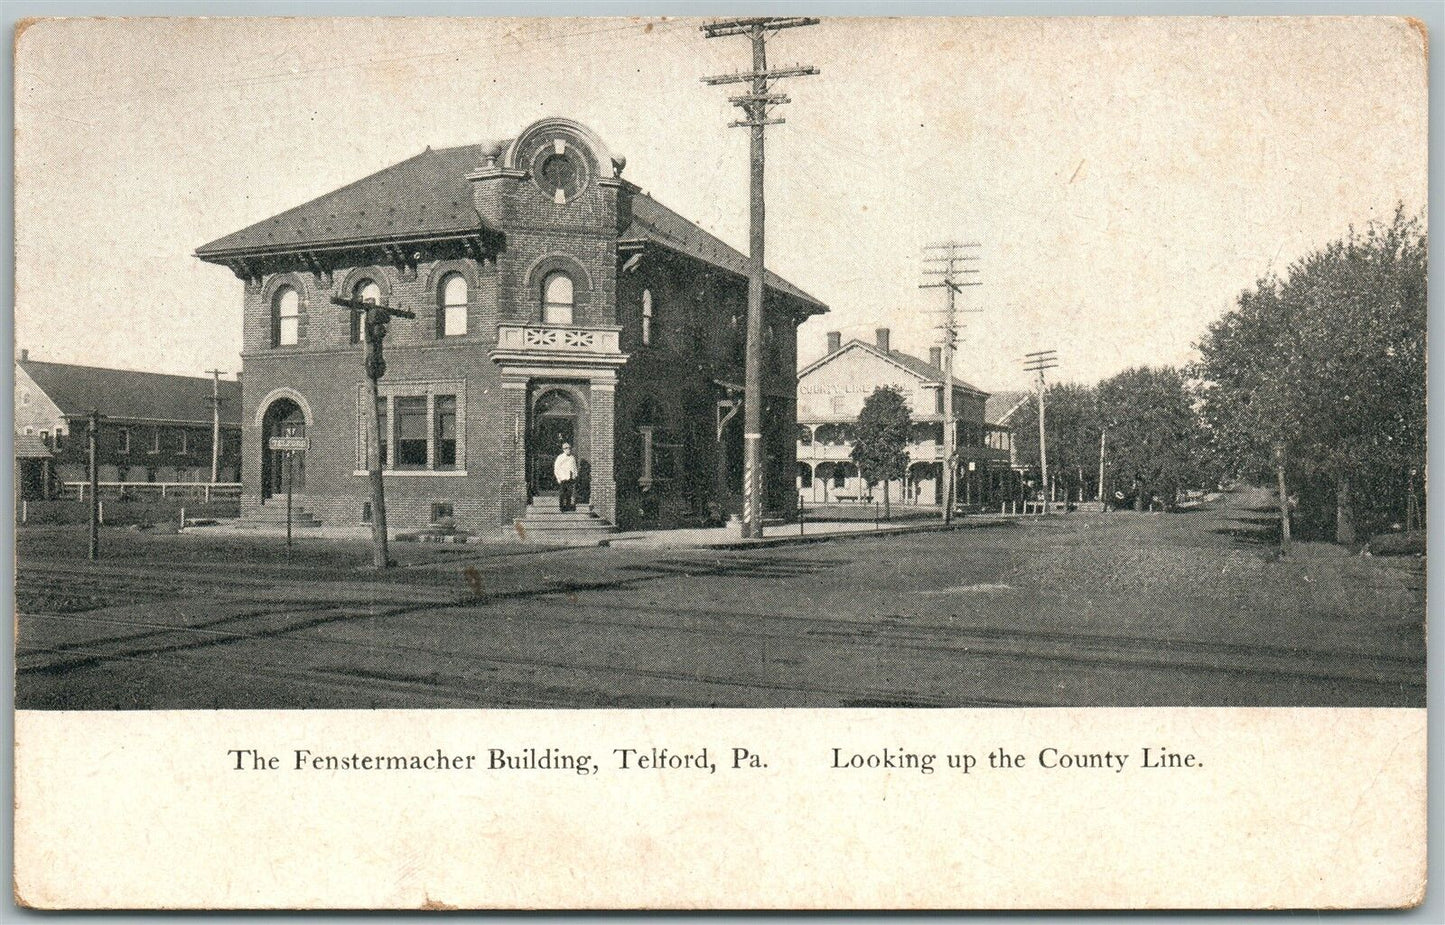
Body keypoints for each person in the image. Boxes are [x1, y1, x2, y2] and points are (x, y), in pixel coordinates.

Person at [554, 442, 579, 512]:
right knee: (562, 493)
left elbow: (574, 468)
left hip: (570, 478)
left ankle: (568, 507)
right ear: (563, 449)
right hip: (563, 478)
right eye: (566, 448)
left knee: (569, 493)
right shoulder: (560, 457)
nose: (568, 450)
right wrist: (558, 478)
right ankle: (561, 507)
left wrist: (575, 475)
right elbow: (556, 468)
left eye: (569, 448)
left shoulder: (572, 458)